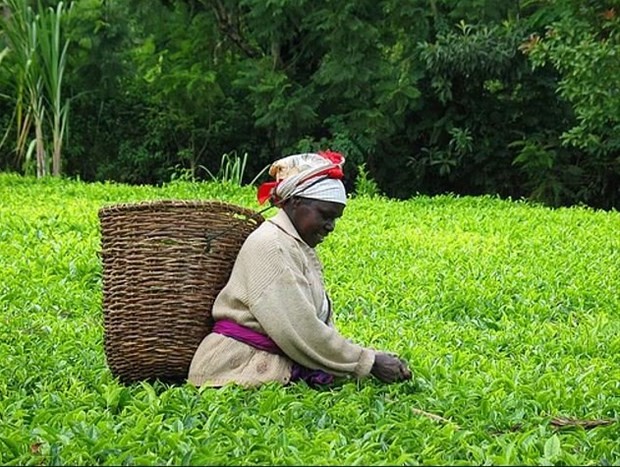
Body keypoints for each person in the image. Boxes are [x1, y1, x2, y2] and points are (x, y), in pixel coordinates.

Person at [188, 150, 411, 388]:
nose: (331, 226)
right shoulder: (270, 245)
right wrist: (368, 361)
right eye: (325, 215)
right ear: (295, 202)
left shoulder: (294, 243)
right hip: (234, 369)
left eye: (335, 218)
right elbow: (300, 329)